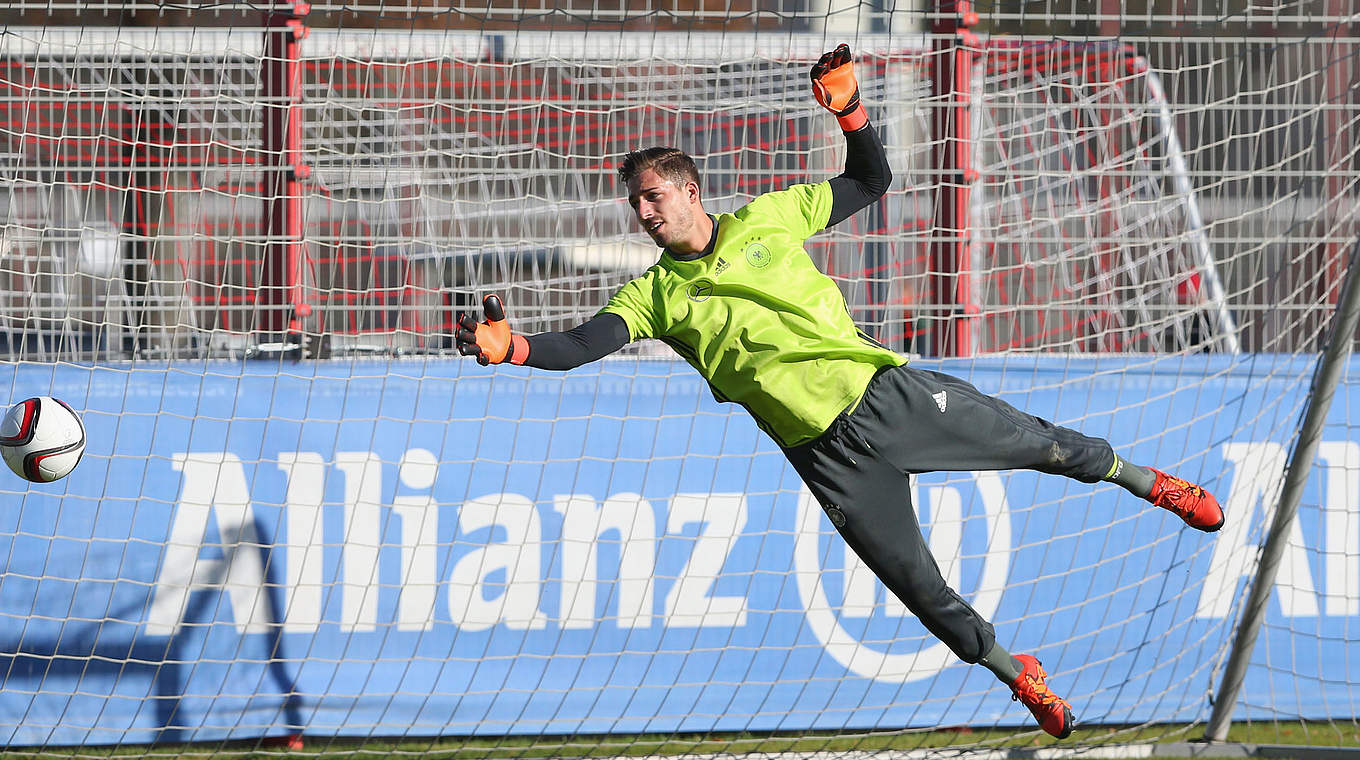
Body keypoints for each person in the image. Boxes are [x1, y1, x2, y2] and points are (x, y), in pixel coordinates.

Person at [455, 44, 1224, 740]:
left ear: (692, 191)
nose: (643, 213)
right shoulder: (656, 295)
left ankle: (1153, 484)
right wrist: (515, 348)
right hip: (827, 458)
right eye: (635, 204)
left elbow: (871, 179)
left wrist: (851, 110)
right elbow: (584, 346)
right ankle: (1016, 671)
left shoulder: (769, 218)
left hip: (884, 395)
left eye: (652, 196)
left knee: (1042, 445)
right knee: (921, 592)